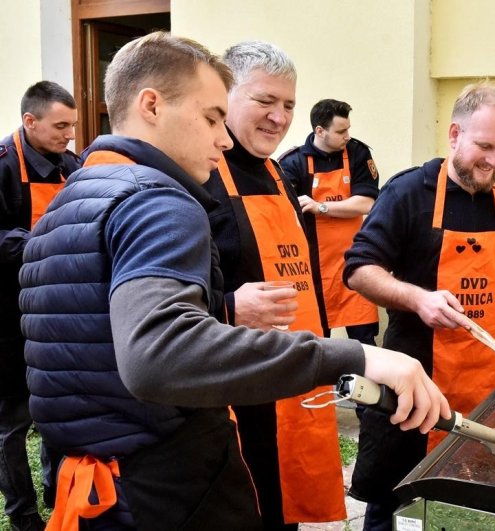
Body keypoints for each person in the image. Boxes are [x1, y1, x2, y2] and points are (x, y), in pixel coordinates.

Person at [17, 31, 449, 531]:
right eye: (211, 118)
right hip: (168, 491)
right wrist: (357, 355)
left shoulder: (67, 203)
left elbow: (94, 343)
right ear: (151, 106)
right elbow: (159, 353)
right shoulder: (158, 199)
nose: (222, 139)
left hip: (97, 488)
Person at [343, 80, 495, 530]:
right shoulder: (408, 194)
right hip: (410, 387)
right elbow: (359, 268)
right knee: (394, 507)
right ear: (454, 135)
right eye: (484, 146)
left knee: (472, 508)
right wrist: (418, 298)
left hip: (489, 393)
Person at [202, 42, 346, 529]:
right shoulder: (195, 178)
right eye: (264, 101)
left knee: (287, 509)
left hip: (294, 378)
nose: (278, 117)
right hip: (232, 394)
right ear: (225, 96)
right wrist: (226, 305)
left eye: (288, 105)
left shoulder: (279, 175)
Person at [0, 80, 79, 531]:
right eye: (60, 126)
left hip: (59, 313)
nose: (68, 135)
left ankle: (58, 495)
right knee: (12, 423)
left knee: (57, 410)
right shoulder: (3, 168)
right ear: (30, 122)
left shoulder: (72, 164)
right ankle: (23, 515)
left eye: (72, 126)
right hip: (8, 319)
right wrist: (39, 243)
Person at [279, 99, 380, 345]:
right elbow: (283, 213)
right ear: (320, 131)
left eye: (348, 129)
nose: (347, 136)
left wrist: (320, 207)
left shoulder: (357, 153)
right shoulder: (293, 163)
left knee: (365, 340)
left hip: (354, 261)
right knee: (316, 340)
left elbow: (367, 204)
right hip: (314, 267)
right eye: (341, 131)